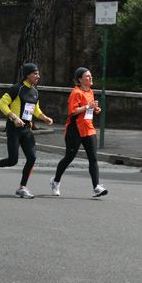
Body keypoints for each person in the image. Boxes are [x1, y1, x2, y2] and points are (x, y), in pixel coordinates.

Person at [0, 63, 53, 198]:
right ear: (27, 75)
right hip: (14, 129)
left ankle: (22, 188)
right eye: (35, 73)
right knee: (13, 160)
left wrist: (45, 118)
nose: (38, 76)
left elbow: (35, 109)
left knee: (32, 157)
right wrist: (14, 117)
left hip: (26, 129)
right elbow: (1, 104)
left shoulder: (35, 92)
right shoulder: (17, 89)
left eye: (38, 73)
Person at [50, 67, 108, 197]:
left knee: (93, 158)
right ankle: (56, 181)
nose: (90, 78)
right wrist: (88, 106)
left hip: (89, 129)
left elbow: (87, 110)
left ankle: (96, 187)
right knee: (69, 157)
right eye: (87, 76)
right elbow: (73, 111)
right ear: (80, 80)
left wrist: (94, 109)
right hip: (74, 130)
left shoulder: (90, 92)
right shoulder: (76, 93)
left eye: (91, 75)